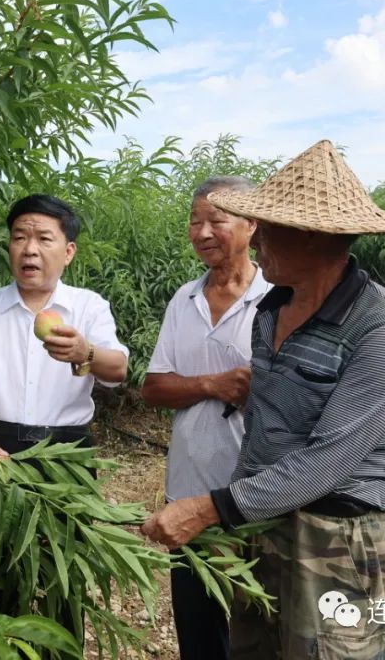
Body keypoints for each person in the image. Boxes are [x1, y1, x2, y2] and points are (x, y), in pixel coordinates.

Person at [142, 140, 385, 660]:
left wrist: (211, 509)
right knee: (257, 649)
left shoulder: (383, 328)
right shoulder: (273, 309)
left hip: (336, 534)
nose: (259, 239)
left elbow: (329, 461)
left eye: (268, 227)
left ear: (314, 237)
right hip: (264, 522)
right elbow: (260, 428)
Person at [0, 194, 129, 635]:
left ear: (68, 251)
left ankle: (62, 645)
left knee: (65, 572)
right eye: (20, 237)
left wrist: (86, 352)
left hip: (67, 453)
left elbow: (118, 367)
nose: (29, 249)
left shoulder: (88, 308)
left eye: (44, 238)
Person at [140, 175, 270, 660]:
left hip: (259, 500)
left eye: (216, 220)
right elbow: (153, 387)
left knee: (260, 633)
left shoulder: (278, 299)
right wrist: (211, 385)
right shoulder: (184, 299)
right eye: (195, 222)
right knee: (200, 634)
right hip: (189, 496)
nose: (202, 232)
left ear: (252, 223)